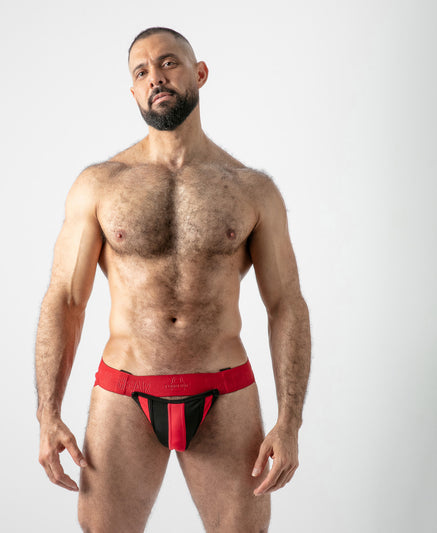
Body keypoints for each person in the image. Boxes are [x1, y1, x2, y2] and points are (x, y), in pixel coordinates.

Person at [35, 26, 311, 533]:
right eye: (141, 72)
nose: (155, 78)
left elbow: (286, 304)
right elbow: (66, 300)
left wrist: (289, 422)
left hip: (224, 390)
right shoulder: (100, 184)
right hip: (124, 391)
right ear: (133, 91)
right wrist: (47, 414)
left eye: (168, 63)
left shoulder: (251, 189)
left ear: (199, 73)